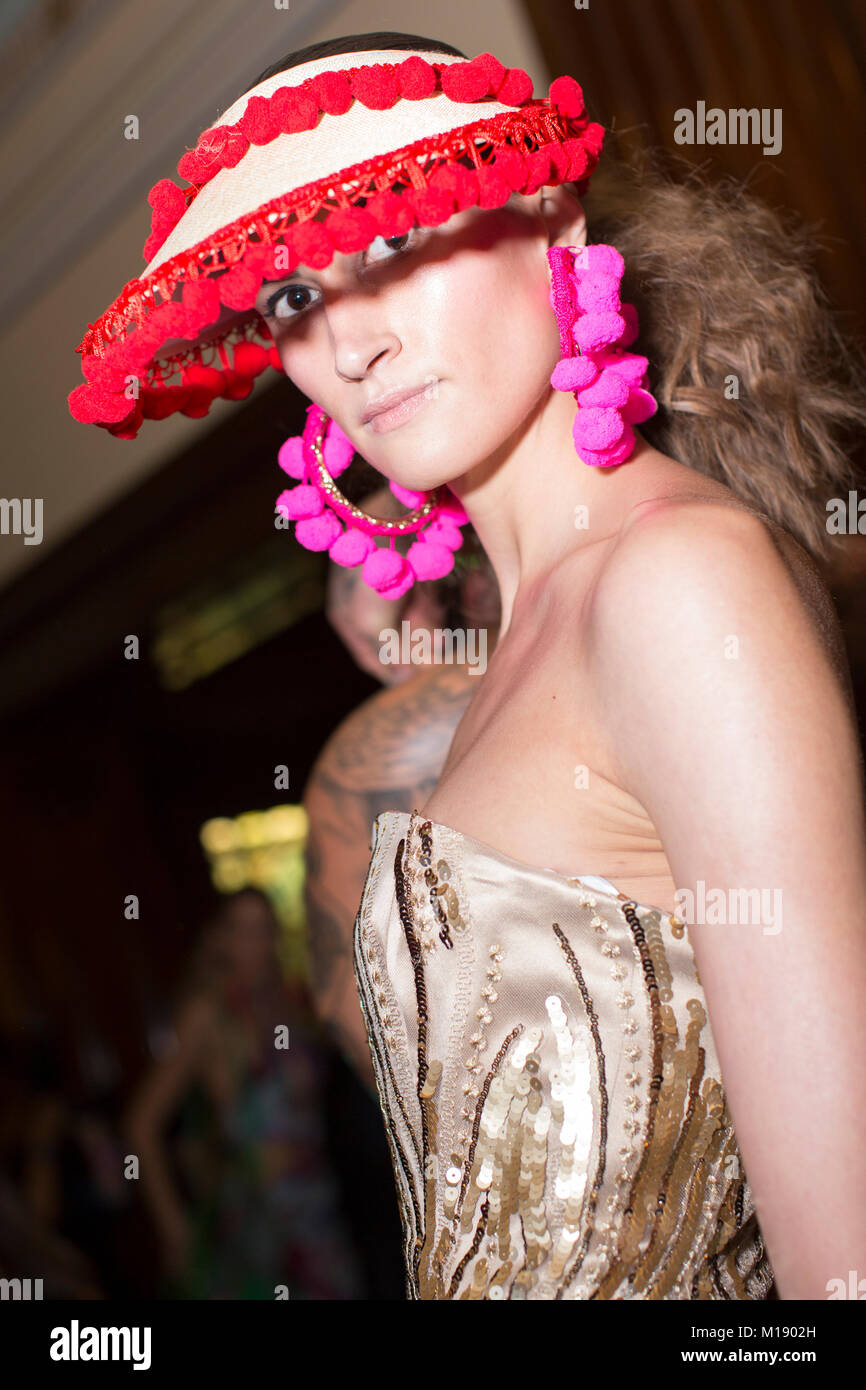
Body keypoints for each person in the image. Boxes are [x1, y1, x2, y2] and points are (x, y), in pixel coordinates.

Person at [71, 31, 866, 1301]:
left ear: (549, 216)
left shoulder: (674, 584)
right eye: (294, 298)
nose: (348, 345)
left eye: (390, 242)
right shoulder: (511, 653)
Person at [123, 889, 362, 1298]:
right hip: (258, 1224)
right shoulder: (207, 1014)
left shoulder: (291, 1006)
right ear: (220, 938)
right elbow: (141, 1123)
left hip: (318, 1210)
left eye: (263, 930)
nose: (253, 942)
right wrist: (173, 1226)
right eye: (240, 929)